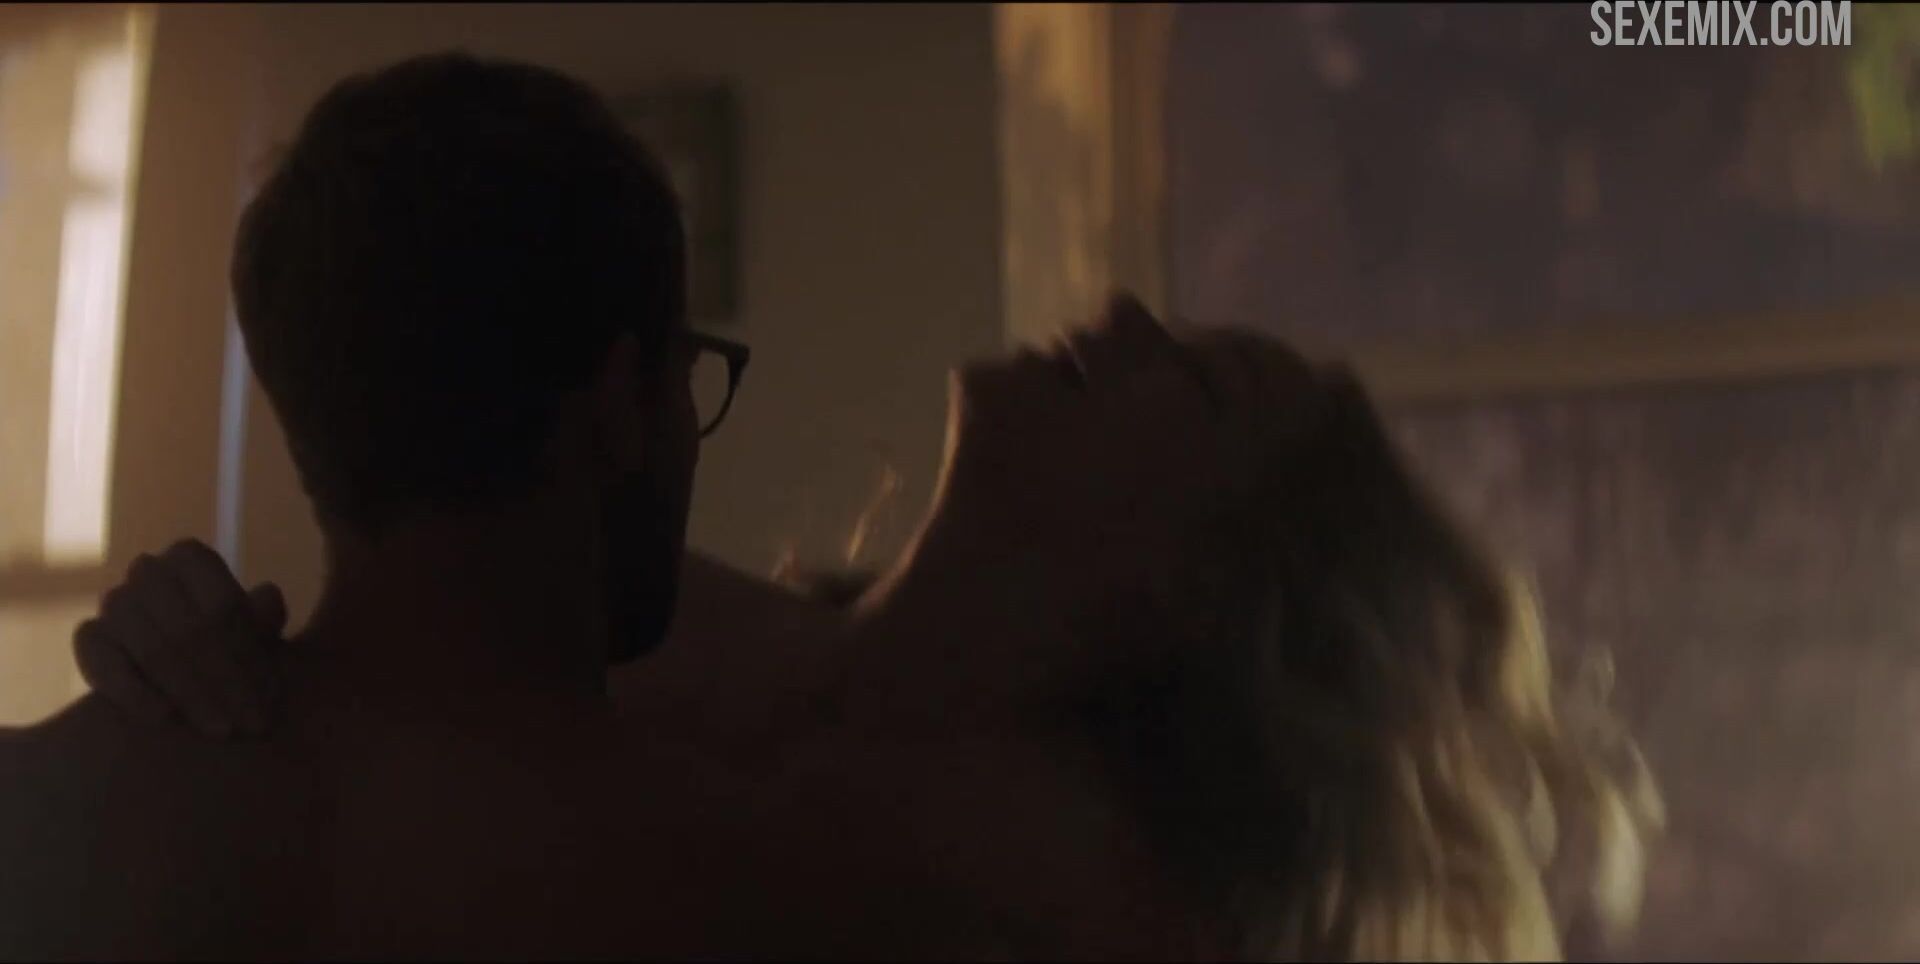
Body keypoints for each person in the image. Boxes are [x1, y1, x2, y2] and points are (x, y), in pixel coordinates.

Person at [75, 322, 1665, 957]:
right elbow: (304, 742)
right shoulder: (641, 606)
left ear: (1203, 589)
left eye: (1188, 383)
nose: (1123, 313)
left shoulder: (1069, 902)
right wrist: (193, 648)